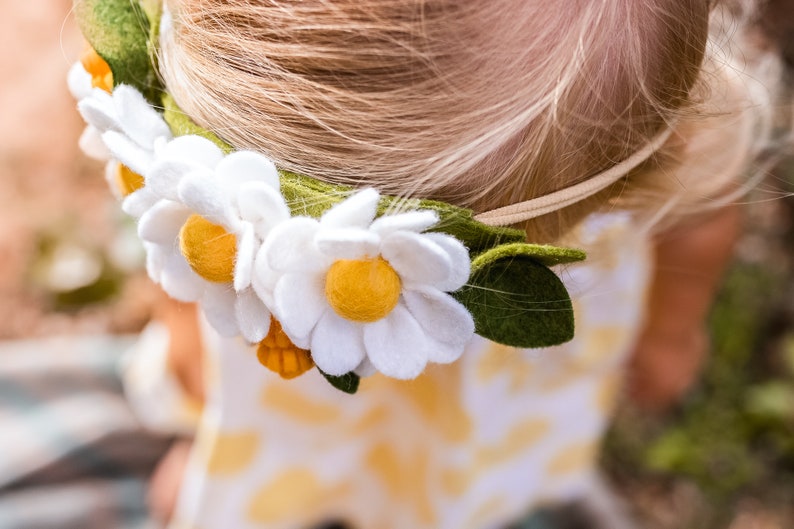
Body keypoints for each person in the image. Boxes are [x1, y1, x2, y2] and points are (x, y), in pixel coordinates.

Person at [69, 0, 783, 527]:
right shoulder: (220, 209)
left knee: (456, 481)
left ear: (633, 173)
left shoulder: (664, 130)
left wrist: (671, 331)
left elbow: (701, 215)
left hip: (494, 399)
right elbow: (186, 249)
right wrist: (195, 366)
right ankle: (249, 477)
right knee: (266, 449)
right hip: (280, 384)